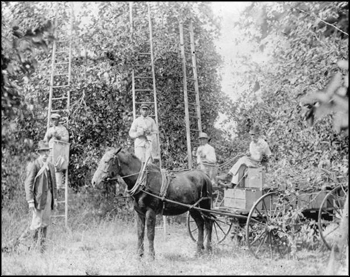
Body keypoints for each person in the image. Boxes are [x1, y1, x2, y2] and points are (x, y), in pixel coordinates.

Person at [24, 140, 58, 253]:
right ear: (39, 153)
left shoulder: (51, 166)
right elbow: (28, 183)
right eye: (42, 152)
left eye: (47, 151)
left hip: (49, 197)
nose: (45, 154)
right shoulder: (35, 165)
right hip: (38, 199)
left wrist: (55, 199)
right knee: (36, 223)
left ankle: (42, 249)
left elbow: (54, 184)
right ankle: (32, 248)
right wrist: (30, 201)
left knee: (45, 222)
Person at [43, 113, 69, 191]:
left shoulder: (63, 129)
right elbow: (44, 142)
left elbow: (66, 140)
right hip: (50, 151)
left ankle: (58, 186)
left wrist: (59, 137)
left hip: (59, 152)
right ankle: (49, 185)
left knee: (58, 168)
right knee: (47, 167)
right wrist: (48, 137)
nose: (54, 121)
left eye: (55, 119)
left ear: (58, 120)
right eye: (52, 119)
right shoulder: (50, 130)